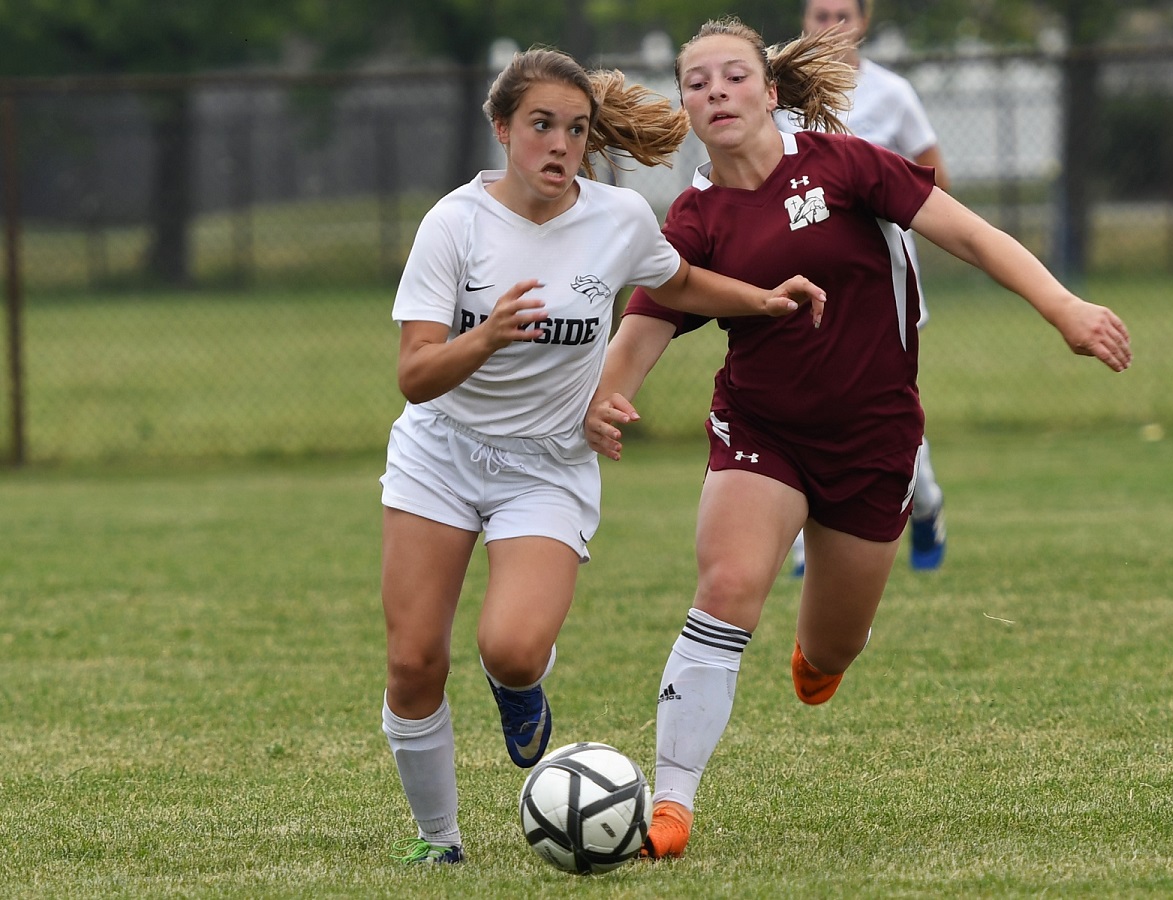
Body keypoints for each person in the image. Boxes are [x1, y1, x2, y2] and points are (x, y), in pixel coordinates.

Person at [584, 18, 1131, 860]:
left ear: (771, 93)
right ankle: (671, 805)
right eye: (698, 83)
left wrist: (1066, 308)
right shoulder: (693, 219)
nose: (718, 92)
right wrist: (608, 399)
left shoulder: (846, 164)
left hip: (874, 440)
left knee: (830, 647)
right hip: (760, 429)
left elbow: (972, 236)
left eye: (736, 76)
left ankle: (824, 651)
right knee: (727, 585)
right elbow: (643, 330)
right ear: (685, 107)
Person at [379, 46, 825, 867]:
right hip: (439, 455)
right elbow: (414, 376)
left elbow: (680, 280)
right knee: (413, 662)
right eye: (541, 126)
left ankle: (519, 689)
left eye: (577, 130)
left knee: (510, 649)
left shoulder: (617, 219)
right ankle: (438, 842)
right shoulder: (455, 223)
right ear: (504, 129)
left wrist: (761, 299)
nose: (559, 145)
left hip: (546, 465)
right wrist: (488, 336)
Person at [776, 0, 951, 575]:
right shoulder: (775, 96)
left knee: (886, 412)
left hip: (880, 288)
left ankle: (923, 504)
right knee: (797, 404)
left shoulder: (890, 93)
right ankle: (805, 541)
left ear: (865, 21)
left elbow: (935, 186)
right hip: (803, 284)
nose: (830, 26)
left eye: (842, 15)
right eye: (819, 14)